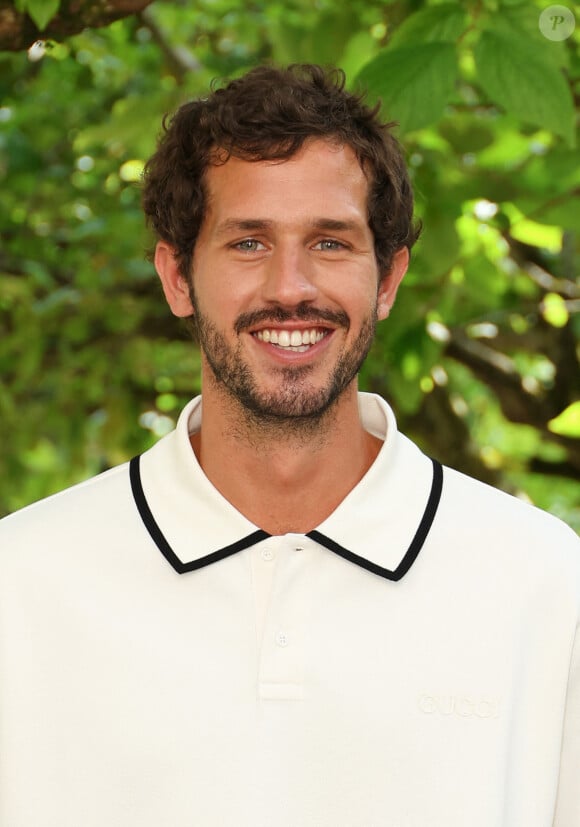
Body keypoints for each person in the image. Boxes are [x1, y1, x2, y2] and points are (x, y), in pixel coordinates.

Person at [0, 64, 578, 827]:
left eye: (331, 242)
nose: (291, 287)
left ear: (388, 279)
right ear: (178, 277)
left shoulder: (546, 583)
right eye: (248, 242)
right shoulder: (22, 581)